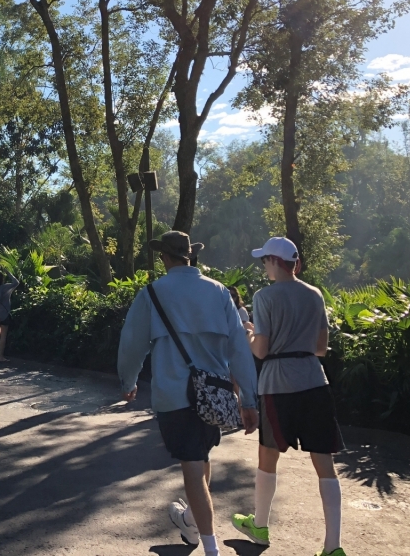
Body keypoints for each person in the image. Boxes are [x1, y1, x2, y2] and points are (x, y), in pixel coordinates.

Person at [117, 231, 259, 556]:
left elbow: (132, 343)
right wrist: (249, 400)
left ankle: (211, 549)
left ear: (164, 257)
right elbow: (239, 349)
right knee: (201, 458)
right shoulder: (219, 292)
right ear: (190, 256)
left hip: (175, 396)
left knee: (193, 469)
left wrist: (128, 382)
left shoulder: (152, 293)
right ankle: (191, 521)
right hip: (213, 395)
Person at [231, 237, 347, 556]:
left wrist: (249, 334)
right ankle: (333, 547)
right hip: (314, 380)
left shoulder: (264, 296)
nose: (263, 267)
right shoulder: (315, 294)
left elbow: (262, 349)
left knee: (268, 457)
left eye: (264, 261)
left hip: (277, 384)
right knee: (324, 462)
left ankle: (260, 525)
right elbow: (321, 348)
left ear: (274, 261)